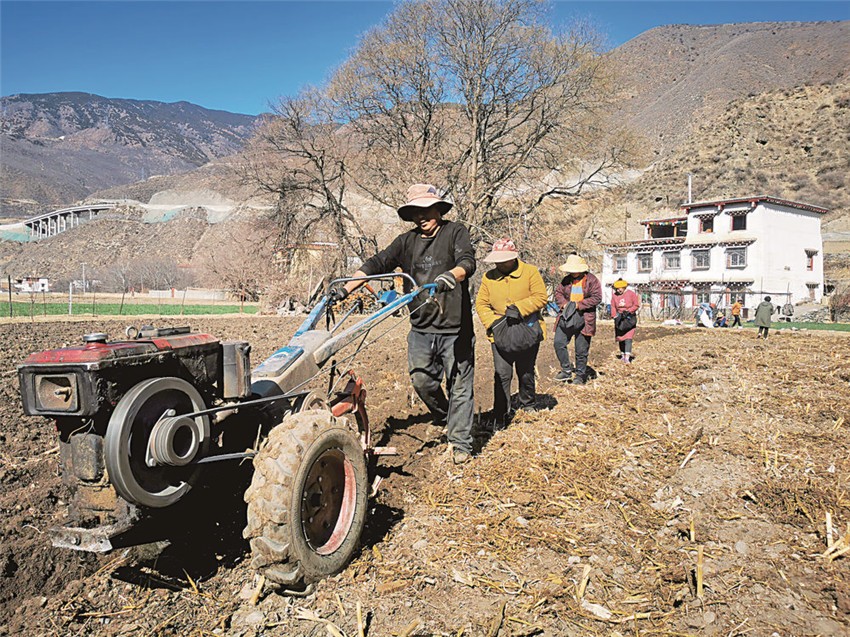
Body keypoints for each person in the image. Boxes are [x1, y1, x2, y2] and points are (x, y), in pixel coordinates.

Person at [330, 184, 476, 464]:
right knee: (422, 380)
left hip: (456, 328)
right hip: (421, 326)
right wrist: (345, 289)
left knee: (459, 385)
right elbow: (377, 263)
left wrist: (452, 275)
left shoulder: (455, 232)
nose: (421, 216)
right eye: (415, 212)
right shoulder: (406, 241)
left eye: (426, 210)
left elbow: (467, 262)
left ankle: (461, 444)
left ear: (438, 209)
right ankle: (446, 416)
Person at [475, 238, 548, 427]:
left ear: (514, 257)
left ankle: (527, 404)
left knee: (525, 371)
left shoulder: (530, 272)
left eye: (504, 260)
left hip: (527, 329)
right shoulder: (489, 277)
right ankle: (501, 413)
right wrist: (493, 323)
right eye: (497, 261)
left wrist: (519, 308)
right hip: (500, 332)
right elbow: (481, 303)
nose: (500, 264)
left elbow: (541, 297)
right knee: (502, 373)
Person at [553, 255, 601, 384]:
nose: (573, 272)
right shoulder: (566, 280)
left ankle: (580, 375)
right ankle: (566, 370)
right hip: (566, 316)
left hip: (585, 318)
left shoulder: (592, 280)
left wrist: (579, 305)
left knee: (581, 349)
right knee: (559, 343)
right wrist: (564, 304)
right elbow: (558, 293)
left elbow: (597, 297)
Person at [610, 278, 640, 363]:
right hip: (619, 318)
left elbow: (636, 305)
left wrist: (629, 311)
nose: (618, 290)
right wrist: (614, 315)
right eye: (617, 289)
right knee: (621, 338)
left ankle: (627, 357)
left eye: (620, 288)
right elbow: (613, 306)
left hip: (629, 318)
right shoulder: (614, 296)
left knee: (628, 337)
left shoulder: (631, 294)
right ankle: (622, 354)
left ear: (624, 287)